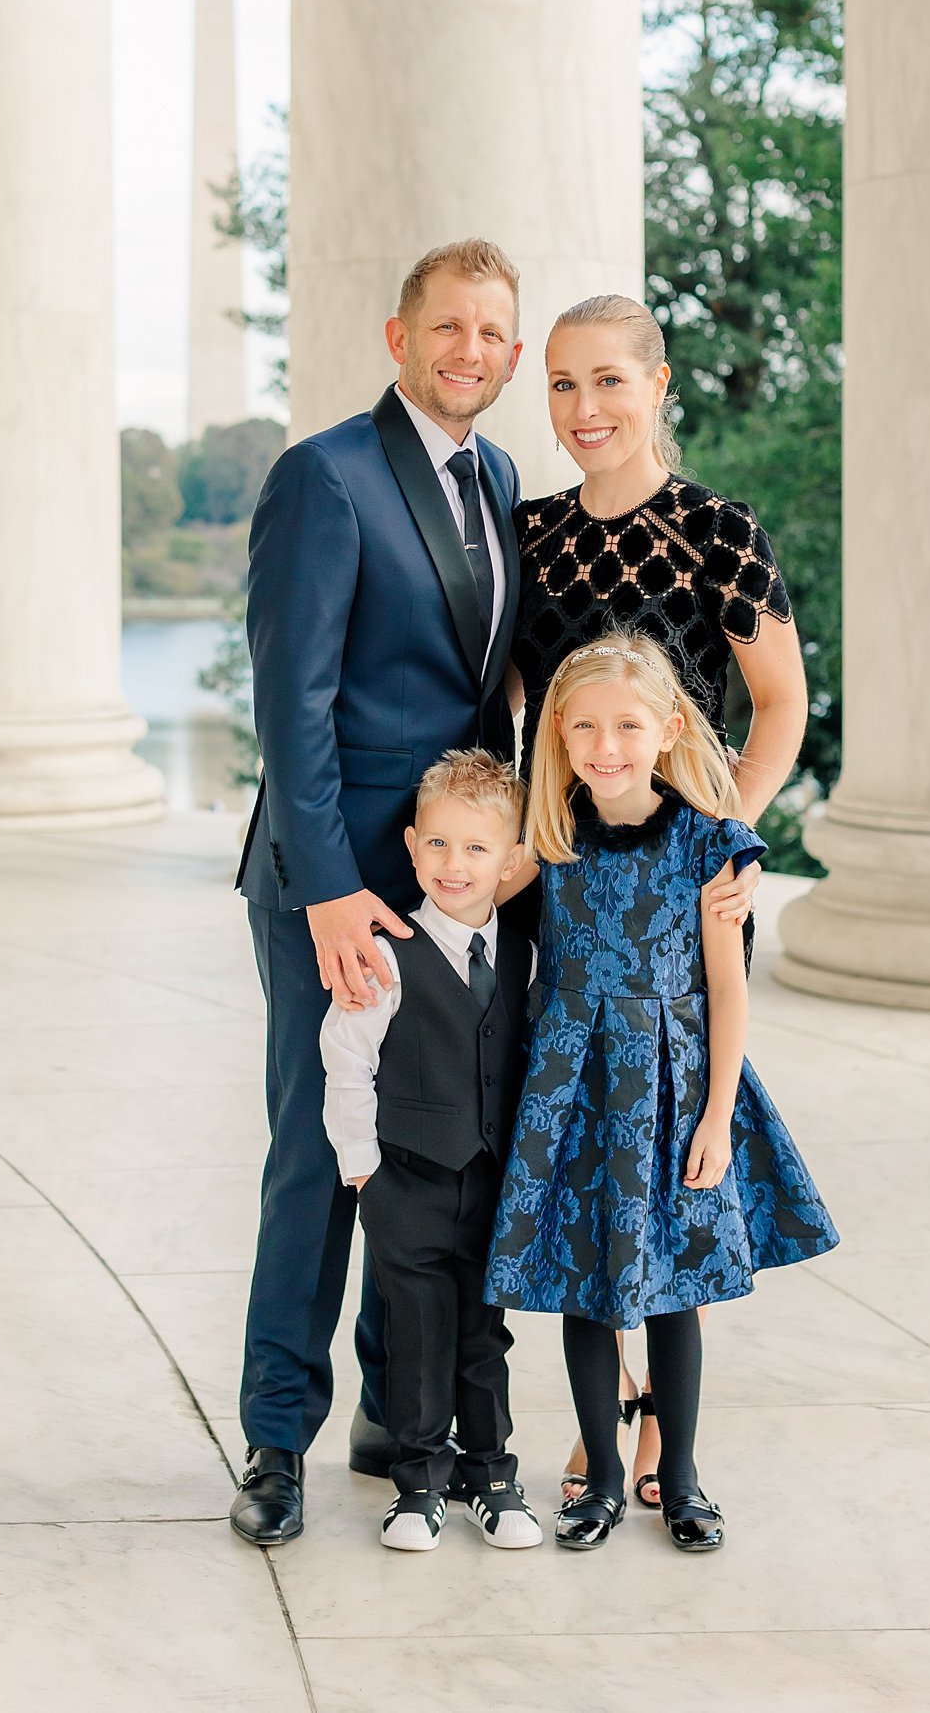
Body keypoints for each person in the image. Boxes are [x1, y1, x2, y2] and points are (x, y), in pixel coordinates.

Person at [228, 239, 525, 1547]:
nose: (471, 350)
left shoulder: (500, 474)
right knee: (322, 1154)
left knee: (422, 1154)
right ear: (399, 338)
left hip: (452, 880)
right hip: (336, 872)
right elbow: (289, 707)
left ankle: (398, 1420)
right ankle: (274, 1437)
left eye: (493, 333)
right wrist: (329, 889)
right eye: (448, 326)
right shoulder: (326, 476)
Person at [509, 292, 810, 1506]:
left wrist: (733, 830)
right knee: (587, 1134)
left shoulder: (717, 530)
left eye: (609, 383)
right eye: (565, 386)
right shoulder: (530, 532)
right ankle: (610, 1391)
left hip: (683, 875)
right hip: (571, 866)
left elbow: (780, 702)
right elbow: (521, 710)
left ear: (659, 383)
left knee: (668, 1124)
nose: (586, 410)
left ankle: (656, 1432)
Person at [486, 632, 839, 1553]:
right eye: (586, 727)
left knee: (678, 1284)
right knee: (581, 1283)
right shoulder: (548, 836)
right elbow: (471, 889)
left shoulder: (706, 844)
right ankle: (600, 1477)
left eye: (628, 726)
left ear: (669, 728)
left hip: (673, 1086)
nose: (607, 745)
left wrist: (719, 1113)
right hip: (570, 1087)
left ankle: (678, 1475)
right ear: (557, 735)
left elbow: (728, 986)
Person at [320, 749, 542, 1552]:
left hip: (493, 1183)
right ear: (412, 847)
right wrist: (362, 1170)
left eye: (478, 849)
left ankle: (492, 1474)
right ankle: (417, 1484)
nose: (455, 865)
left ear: (511, 860)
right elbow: (347, 1060)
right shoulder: (385, 952)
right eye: (439, 846)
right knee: (417, 1332)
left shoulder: (523, 952)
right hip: (404, 1181)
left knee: (485, 1334)